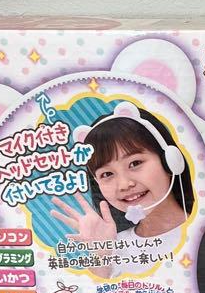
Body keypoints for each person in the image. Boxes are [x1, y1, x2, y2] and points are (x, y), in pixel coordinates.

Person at [50, 106, 194, 276]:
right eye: (107, 174)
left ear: (169, 161)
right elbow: (92, 291)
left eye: (135, 163)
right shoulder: (113, 246)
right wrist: (101, 252)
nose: (124, 185)